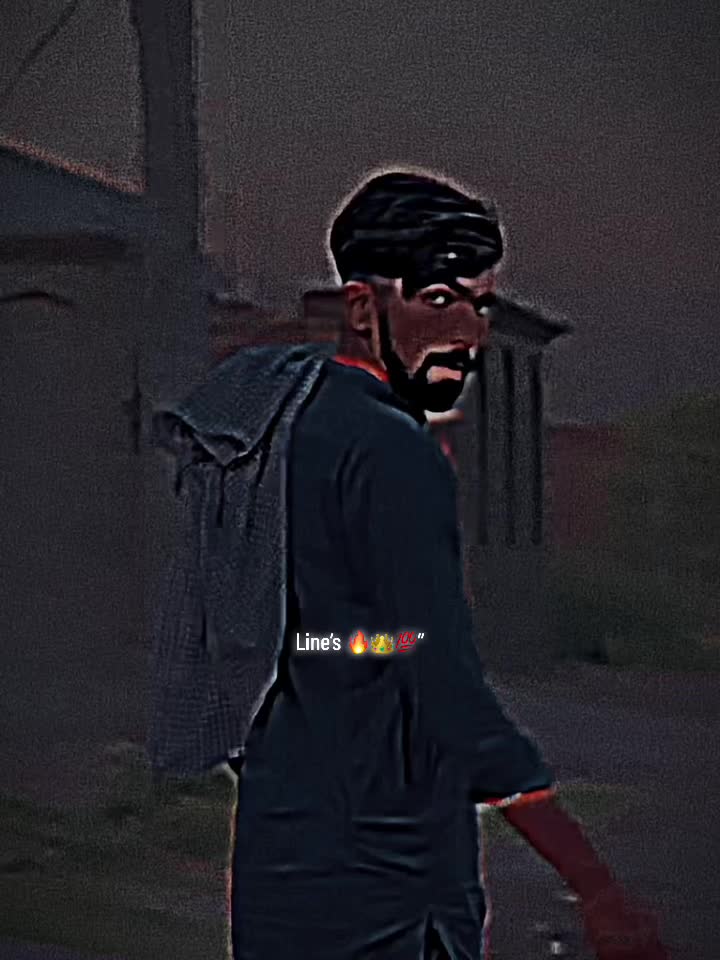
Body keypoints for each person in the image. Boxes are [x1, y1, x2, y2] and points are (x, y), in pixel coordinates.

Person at [222, 170, 668, 959]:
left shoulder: (286, 428)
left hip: (282, 853)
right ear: (363, 308)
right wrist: (593, 883)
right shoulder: (392, 451)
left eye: (480, 305)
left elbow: (307, 639)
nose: (471, 332)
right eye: (438, 299)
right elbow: (447, 688)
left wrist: (370, 646)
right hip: (385, 876)